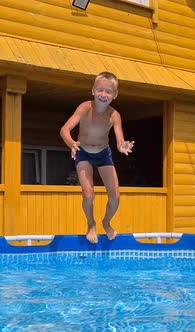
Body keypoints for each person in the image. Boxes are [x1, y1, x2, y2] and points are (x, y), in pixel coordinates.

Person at [60, 72, 134, 244]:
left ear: (114, 95)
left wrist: (122, 146)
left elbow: (119, 139)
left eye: (108, 92)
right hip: (83, 152)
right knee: (88, 195)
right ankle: (91, 224)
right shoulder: (85, 108)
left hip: (103, 154)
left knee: (115, 196)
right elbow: (64, 129)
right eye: (100, 90)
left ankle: (106, 222)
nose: (103, 94)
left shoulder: (114, 115)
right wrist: (71, 143)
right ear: (93, 90)